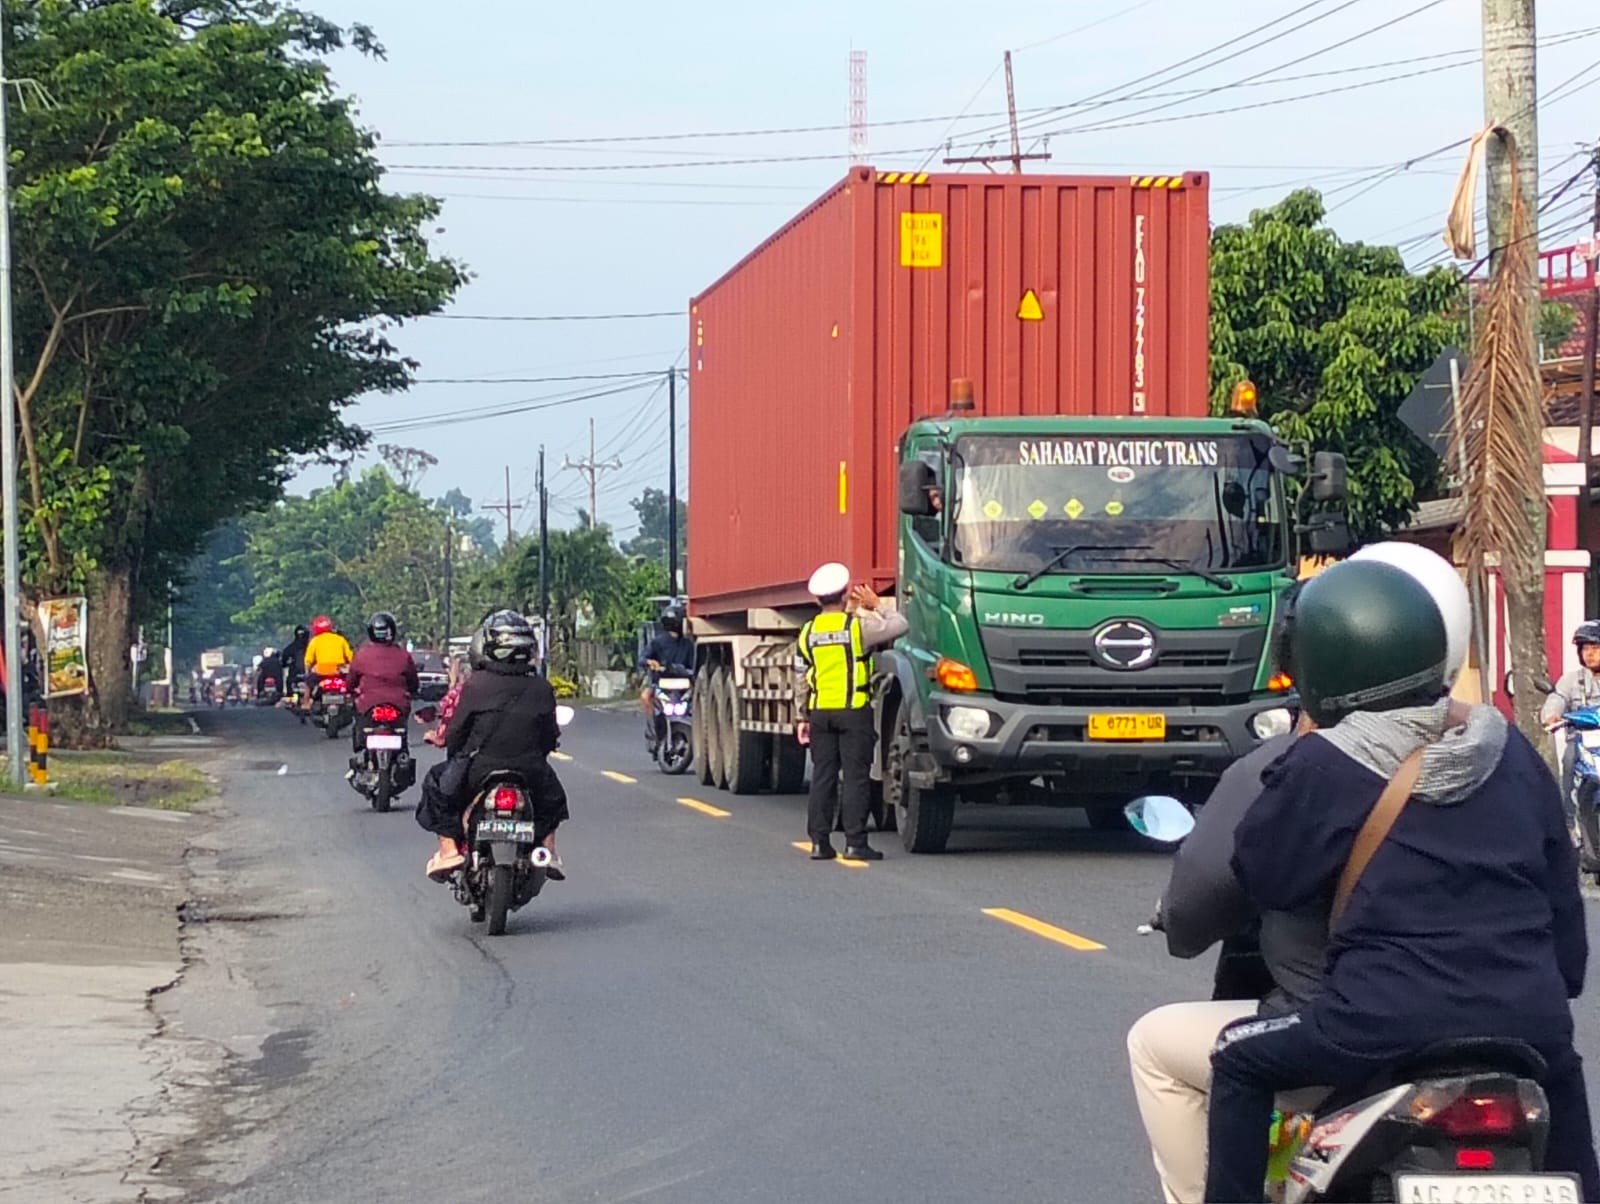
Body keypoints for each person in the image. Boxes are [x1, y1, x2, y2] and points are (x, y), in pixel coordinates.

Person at [1203, 558, 1597, 1203]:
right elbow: (1567, 936)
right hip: (1530, 1022)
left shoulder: (1327, 759)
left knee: (1238, 1061)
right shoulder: (1509, 748)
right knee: (1566, 1096)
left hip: (1375, 1024)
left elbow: (1267, 879)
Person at [1127, 543, 1483, 1204]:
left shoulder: (1296, 768)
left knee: (1177, 1049)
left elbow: (1229, 889)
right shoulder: (1504, 759)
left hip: (1361, 1029)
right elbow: (1569, 949)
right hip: (1515, 1025)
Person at [414, 610, 568, 883]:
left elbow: (456, 734)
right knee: (553, 799)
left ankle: (449, 850)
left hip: (478, 769)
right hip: (529, 769)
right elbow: (548, 737)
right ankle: (548, 849)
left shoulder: (475, 685)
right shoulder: (542, 688)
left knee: (436, 784)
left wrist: (454, 753)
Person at [792, 562, 908, 861]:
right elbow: (900, 626)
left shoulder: (807, 633)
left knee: (823, 776)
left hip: (820, 713)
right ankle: (855, 843)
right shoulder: (856, 628)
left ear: (817, 600)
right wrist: (877, 605)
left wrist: (801, 717)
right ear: (844, 595)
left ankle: (819, 842)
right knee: (856, 777)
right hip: (853, 710)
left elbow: (799, 678)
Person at [1542, 620, 1600, 842]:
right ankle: (1570, 824)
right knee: (1568, 762)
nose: (1590, 654)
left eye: (1595, 648)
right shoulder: (1571, 680)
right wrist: (1552, 715)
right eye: (1585, 649)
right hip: (1582, 741)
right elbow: (1556, 698)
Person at [346, 611, 420, 776]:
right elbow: (413, 681)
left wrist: (350, 691)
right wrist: (413, 693)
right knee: (401, 732)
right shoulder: (403, 655)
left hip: (367, 706)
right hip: (399, 705)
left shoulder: (362, 655)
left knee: (360, 723)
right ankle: (402, 753)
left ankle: (361, 745)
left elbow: (351, 681)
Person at [638, 609, 695, 751]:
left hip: (683, 685)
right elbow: (642, 659)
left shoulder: (688, 644)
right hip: (660, 683)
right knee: (645, 697)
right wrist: (651, 663)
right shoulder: (658, 642)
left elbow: (694, 666)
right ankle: (653, 733)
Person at [303, 615, 353, 698]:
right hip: (339, 673)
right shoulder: (340, 639)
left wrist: (307, 673)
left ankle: (306, 703)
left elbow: (308, 662)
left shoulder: (315, 641)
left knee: (307, 683)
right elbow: (351, 658)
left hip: (321, 674)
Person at [280, 624, 311, 691]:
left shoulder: (290, 648)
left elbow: (283, 662)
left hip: (296, 677)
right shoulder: (311, 647)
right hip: (306, 676)